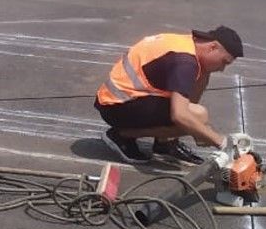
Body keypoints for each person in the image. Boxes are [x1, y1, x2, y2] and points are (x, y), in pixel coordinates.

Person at [95, 26, 244, 164]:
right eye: (224, 62)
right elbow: (180, 115)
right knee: (198, 116)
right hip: (116, 106)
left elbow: (188, 103)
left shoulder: (189, 45)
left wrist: (197, 130)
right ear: (212, 47)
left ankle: (165, 143)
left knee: (194, 116)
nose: (222, 69)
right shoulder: (184, 62)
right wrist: (220, 142)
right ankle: (121, 135)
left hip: (122, 98)